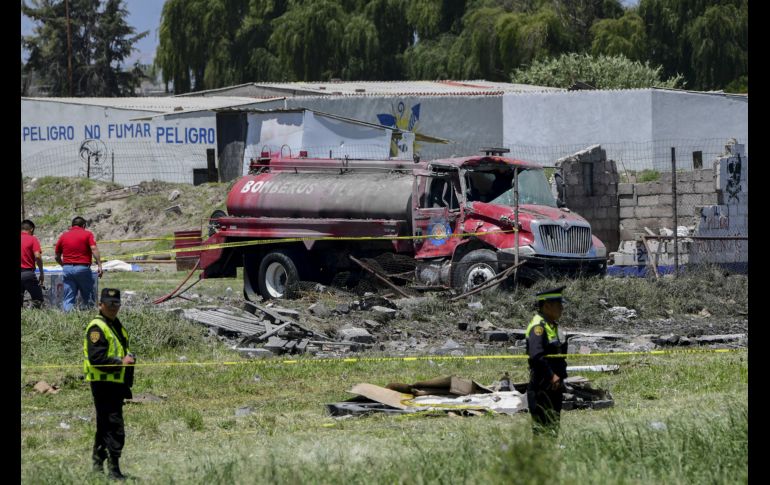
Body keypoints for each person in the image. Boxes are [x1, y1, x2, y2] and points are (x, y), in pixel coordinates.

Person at [84, 288, 135, 480]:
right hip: (104, 384)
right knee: (114, 427)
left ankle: (98, 466)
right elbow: (97, 359)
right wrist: (121, 362)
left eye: (116, 303)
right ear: (100, 305)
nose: (113, 307)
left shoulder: (114, 324)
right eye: (109, 303)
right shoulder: (97, 328)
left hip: (115, 383)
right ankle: (114, 470)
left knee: (105, 426)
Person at [525, 286, 569, 437]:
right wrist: (552, 375)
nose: (562, 308)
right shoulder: (538, 327)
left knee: (552, 429)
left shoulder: (551, 325)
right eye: (558, 305)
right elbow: (536, 355)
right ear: (547, 306)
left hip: (553, 387)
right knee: (542, 431)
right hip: (542, 386)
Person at [55, 216, 103, 311]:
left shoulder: (63, 236)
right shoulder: (87, 234)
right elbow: (93, 249)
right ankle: (89, 315)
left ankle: (67, 316)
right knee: (88, 296)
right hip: (82, 268)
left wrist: (64, 265)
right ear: (84, 225)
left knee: (68, 297)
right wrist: (99, 265)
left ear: (72, 225)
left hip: (67, 269)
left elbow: (57, 256)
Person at [21, 219, 45, 308]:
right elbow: (37, 256)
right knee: (38, 301)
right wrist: (41, 273)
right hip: (27, 274)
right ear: (31, 229)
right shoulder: (32, 239)